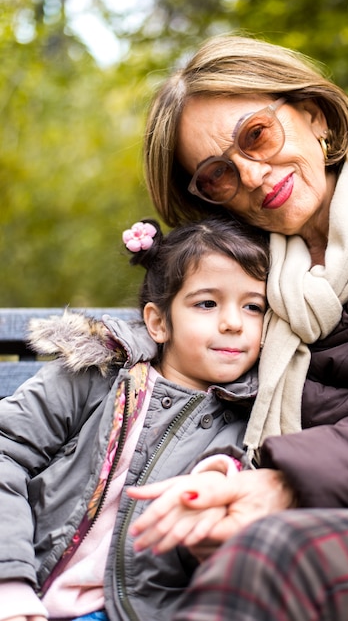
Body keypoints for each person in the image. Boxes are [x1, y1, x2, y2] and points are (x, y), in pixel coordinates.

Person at [128, 34, 348, 620]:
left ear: (314, 115)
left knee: (278, 554)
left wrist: (289, 482)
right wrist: (219, 480)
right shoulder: (245, 286)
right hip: (334, 522)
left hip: (328, 528)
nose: (254, 176)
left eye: (256, 135)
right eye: (218, 175)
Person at [0, 215, 270, 621]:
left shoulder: (253, 418)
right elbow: (6, 453)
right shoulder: (94, 376)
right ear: (159, 322)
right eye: (207, 303)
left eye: (253, 306)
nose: (233, 322)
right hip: (26, 587)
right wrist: (10, 584)